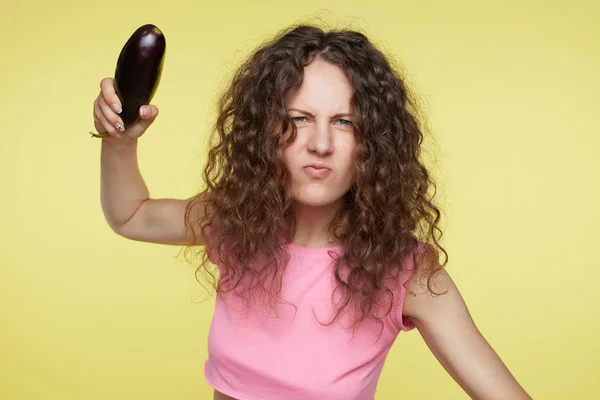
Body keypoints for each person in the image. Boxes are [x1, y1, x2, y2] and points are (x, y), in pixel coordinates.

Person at [92, 24, 532, 400]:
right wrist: (119, 140)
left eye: (345, 122)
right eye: (300, 118)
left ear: (374, 143)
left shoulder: (407, 270)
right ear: (266, 131)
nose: (320, 143)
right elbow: (130, 216)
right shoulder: (236, 222)